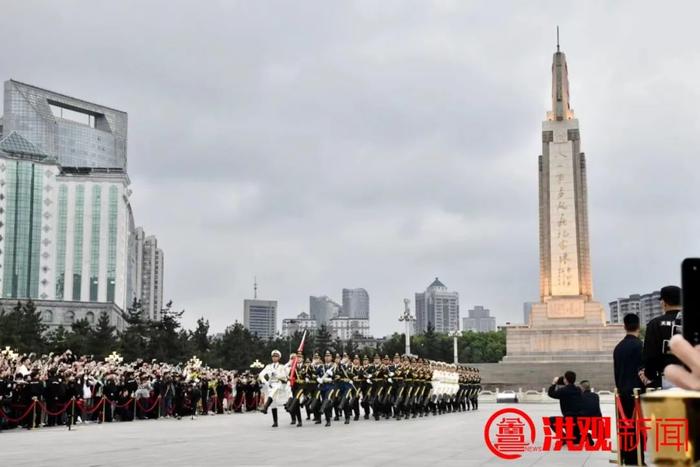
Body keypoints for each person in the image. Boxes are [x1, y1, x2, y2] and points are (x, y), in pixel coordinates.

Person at [613, 313, 645, 465]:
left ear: (624, 326)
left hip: (622, 392)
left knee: (625, 427)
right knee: (637, 428)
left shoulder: (618, 347)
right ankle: (637, 459)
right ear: (638, 326)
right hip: (637, 393)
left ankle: (625, 456)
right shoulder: (640, 345)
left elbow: (617, 372)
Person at [640, 285, 682, 389]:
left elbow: (650, 355)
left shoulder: (655, 324)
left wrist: (649, 375)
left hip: (666, 380)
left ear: (663, 302)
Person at [547, 370, 584, 447]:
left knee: (551, 420)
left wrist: (554, 383)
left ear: (565, 380)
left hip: (568, 420)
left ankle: (564, 438)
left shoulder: (563, 390)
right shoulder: (578, 390)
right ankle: (575, 437)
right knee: (575, 438)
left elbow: (551, 393)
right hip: (579, 420)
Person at [258, 350, 289, 428]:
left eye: (276, 356)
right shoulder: (268, 366)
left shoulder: (282, 367)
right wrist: (266, 382)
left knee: (273, 393)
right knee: (273, 403)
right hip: (270, 385)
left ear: (279, 357)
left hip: (279, 384)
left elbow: (285, 377)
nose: (274, 358)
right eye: (273, 356)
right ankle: (275, 422)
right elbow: (261, 375)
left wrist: (277, 375)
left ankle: (265, 407)